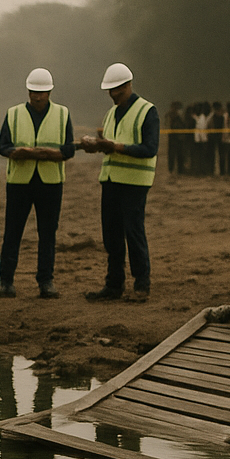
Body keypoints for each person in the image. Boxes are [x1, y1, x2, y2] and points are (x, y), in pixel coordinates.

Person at [0, 67, 74, 300]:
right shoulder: (13, 113)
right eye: (33, 92)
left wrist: (51, 153)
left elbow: (69, 149)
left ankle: (46, 282)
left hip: (50, 182)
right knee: (12, 232)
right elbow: (2, 146)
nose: (37, 97)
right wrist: (16, 152)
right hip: (20, 182)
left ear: (49, 92)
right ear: (28, 91)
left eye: (42, 92)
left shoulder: (62, 114)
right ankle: (6, 282)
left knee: (48, 233)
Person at [79, 63, 158, 302]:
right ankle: (114, 284)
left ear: (128, 85)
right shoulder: (111, 114)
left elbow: (150, 149)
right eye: (110, 91)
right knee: (111, 234)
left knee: (134, 232)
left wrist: (113, 147)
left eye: (117, 90)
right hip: (111, 180)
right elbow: (111, 147)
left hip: (135, 182)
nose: (113, 95)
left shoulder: (147, 111)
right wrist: (96, 147)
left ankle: (141, 284)